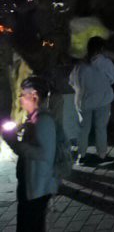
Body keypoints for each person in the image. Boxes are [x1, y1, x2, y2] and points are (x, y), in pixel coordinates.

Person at [1, 76, 59, 232]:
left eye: (23, 94)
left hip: (37, 188)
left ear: (34, 95)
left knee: (30, 227)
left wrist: (15, 143)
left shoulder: (44, 121)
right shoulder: (32, 119)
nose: (20, 98)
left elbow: (44, 155)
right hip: (30, 185)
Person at [69, 35, 114, 167]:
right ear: (102, 48)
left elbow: (72, 82)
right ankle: (101, 155)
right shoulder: (105, 63)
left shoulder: (80, 65)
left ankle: (81, 156)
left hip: (83, 101)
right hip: (102, 100)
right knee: (101, 128)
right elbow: (113, 79)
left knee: (84, 129)